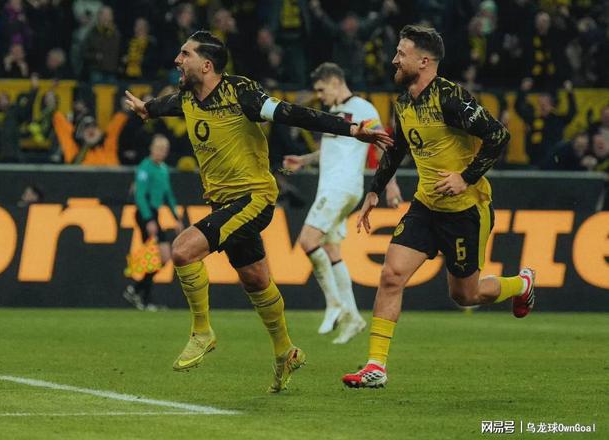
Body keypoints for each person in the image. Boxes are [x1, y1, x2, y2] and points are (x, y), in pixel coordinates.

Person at [125, 30, 391, 393]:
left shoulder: (241, 93)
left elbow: (292, 114)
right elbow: (168, 105)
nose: (177, 60)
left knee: (184, 250)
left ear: (207, 65)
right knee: (255, 280)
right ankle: (286, 351)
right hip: (223, 202)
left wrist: (350, 129)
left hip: (253, 198)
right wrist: (147, 109)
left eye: (185, 54)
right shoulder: (188, 97)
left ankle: (201, 332)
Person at [341, 25, 536, 389]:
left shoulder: (450, 97)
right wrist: (374, 191)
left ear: (424, 61)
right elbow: (398, 148)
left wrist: (466, 177)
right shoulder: (404, 102)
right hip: (426, 205)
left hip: (465, 210)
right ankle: (375, 366)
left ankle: (521, 284)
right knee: (391, 275)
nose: (394, 60)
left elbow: (498, 135)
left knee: (465, 295)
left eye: (401, 53)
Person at [282, 62, 402, 344]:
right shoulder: (335, 112)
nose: (320, 96)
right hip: (333, 186)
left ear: (335, 82)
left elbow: (383, 145)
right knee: (331, 249)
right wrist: (304, 160)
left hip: (341, 186)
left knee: (307, 241)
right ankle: (354, 318)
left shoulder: (362, 108)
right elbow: (332, 148)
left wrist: (391, 184)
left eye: (321, 89)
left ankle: (334, 303)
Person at [123, 134, 184, 311]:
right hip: (145, 214)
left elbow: (168, 195)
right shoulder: (145, 168)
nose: (161, 152)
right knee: (156, 256)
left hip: (154, 214)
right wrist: (149, 219)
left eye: (164, 149)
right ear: (152, 148)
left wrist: (176, 217)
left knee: (162, 257)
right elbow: (140, 195)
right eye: (158, 148)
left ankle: (135, 290)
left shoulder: (163, 169)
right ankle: (145, 298)